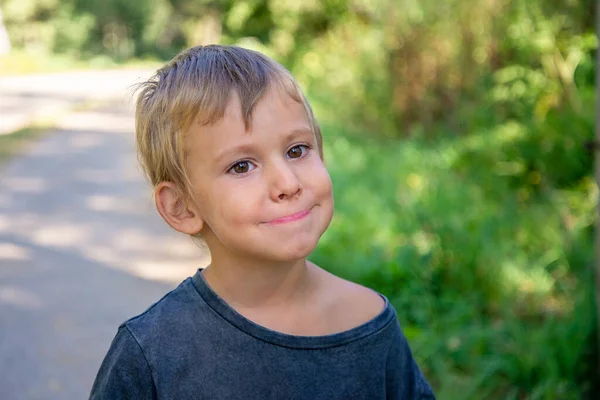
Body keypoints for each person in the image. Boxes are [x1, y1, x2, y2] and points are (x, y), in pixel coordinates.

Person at [89, 44, 435, 399]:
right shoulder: (151, 352)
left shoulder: (370, 323)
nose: (288, 183)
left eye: (297, 150)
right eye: (242, 166)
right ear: (182, 207)